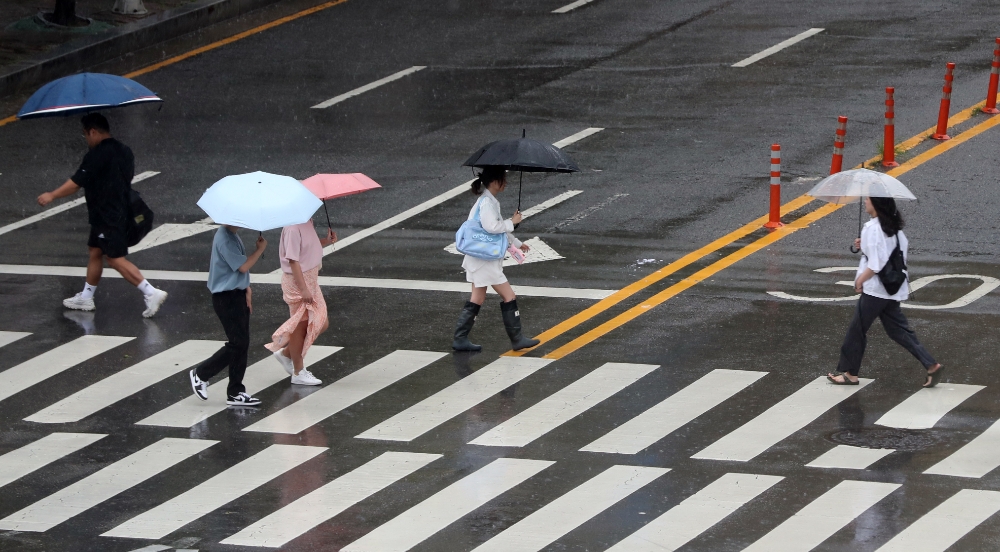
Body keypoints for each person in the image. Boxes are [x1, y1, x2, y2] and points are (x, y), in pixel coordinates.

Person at [36, 113, 168, 317]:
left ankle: (151, 292)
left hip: (108, 215)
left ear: (93, 132)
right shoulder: (124, 150)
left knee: (115, 259)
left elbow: (76, 183)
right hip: (119, 210)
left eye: (85, 135)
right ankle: (86, 297)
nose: (86, 139)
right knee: (95, 250)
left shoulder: (97, 155)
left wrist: (52, 195)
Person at [827, 197, 943, 388]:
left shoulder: (874, 228)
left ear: (877, 203)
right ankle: (932, 365)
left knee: (857, 329)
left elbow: (876, 264)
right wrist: (864, 245)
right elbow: (889, 252)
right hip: (892, 287)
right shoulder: (893, 228)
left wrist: (859, 280)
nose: (865, 201)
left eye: (868, 199)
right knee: (898, 330)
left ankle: (850, 373)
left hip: (876, 289)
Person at [452, 166, 540, 352]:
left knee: (477, 298)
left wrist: (516, 242)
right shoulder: (486, 203)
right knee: (509, 296)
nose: (505, 183)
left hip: (480, 258)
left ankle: (460, 338)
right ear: (494, 181)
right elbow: (492, 227)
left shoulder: (488, 201)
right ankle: (517, 339)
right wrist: (512, 222)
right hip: (485, 261)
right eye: (503, 179)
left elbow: (497, 230)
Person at [189, 225, 267, 406]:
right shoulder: (225, 238)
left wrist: (246, 288)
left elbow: (235, 270)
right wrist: (260, 250)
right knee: (238, 343)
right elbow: (243, 266)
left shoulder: (231, 234)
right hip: (226, 297)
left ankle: (235, 391)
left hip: (236, 294)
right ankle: (201, 374)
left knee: (242, 343)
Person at [266, 222, 337, 385]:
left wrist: (325, 241)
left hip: (310, 281)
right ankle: (298, 371)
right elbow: (293, 260)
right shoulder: (292, 228)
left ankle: (286, 354)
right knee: (301, 327)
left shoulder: (307, 222)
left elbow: (306, 249)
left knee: (321, 322)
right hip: (298, 284)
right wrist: (303, 289)